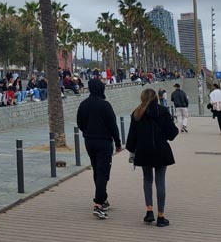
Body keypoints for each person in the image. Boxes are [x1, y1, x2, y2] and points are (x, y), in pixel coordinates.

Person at [126, 88, 178, 226]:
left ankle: (149, 211)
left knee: (147, 180)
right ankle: (161, 216)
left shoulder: (137, 113)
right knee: (160, 181)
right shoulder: (163, 111)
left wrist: (131, 151)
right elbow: (172, 134)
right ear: (156, 97)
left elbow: (132, 136)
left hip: (143, 151)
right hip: (161, 151)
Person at [76, 78, 122, 219]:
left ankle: (103, 198)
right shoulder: (105, 105)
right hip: (104, 142)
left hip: (89, 141)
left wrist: (88, 132)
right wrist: (118, 143)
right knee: (103, 172)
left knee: (97, 170)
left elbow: (80, 123)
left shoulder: (83, 104)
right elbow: (112, 125)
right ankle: (98, 203)